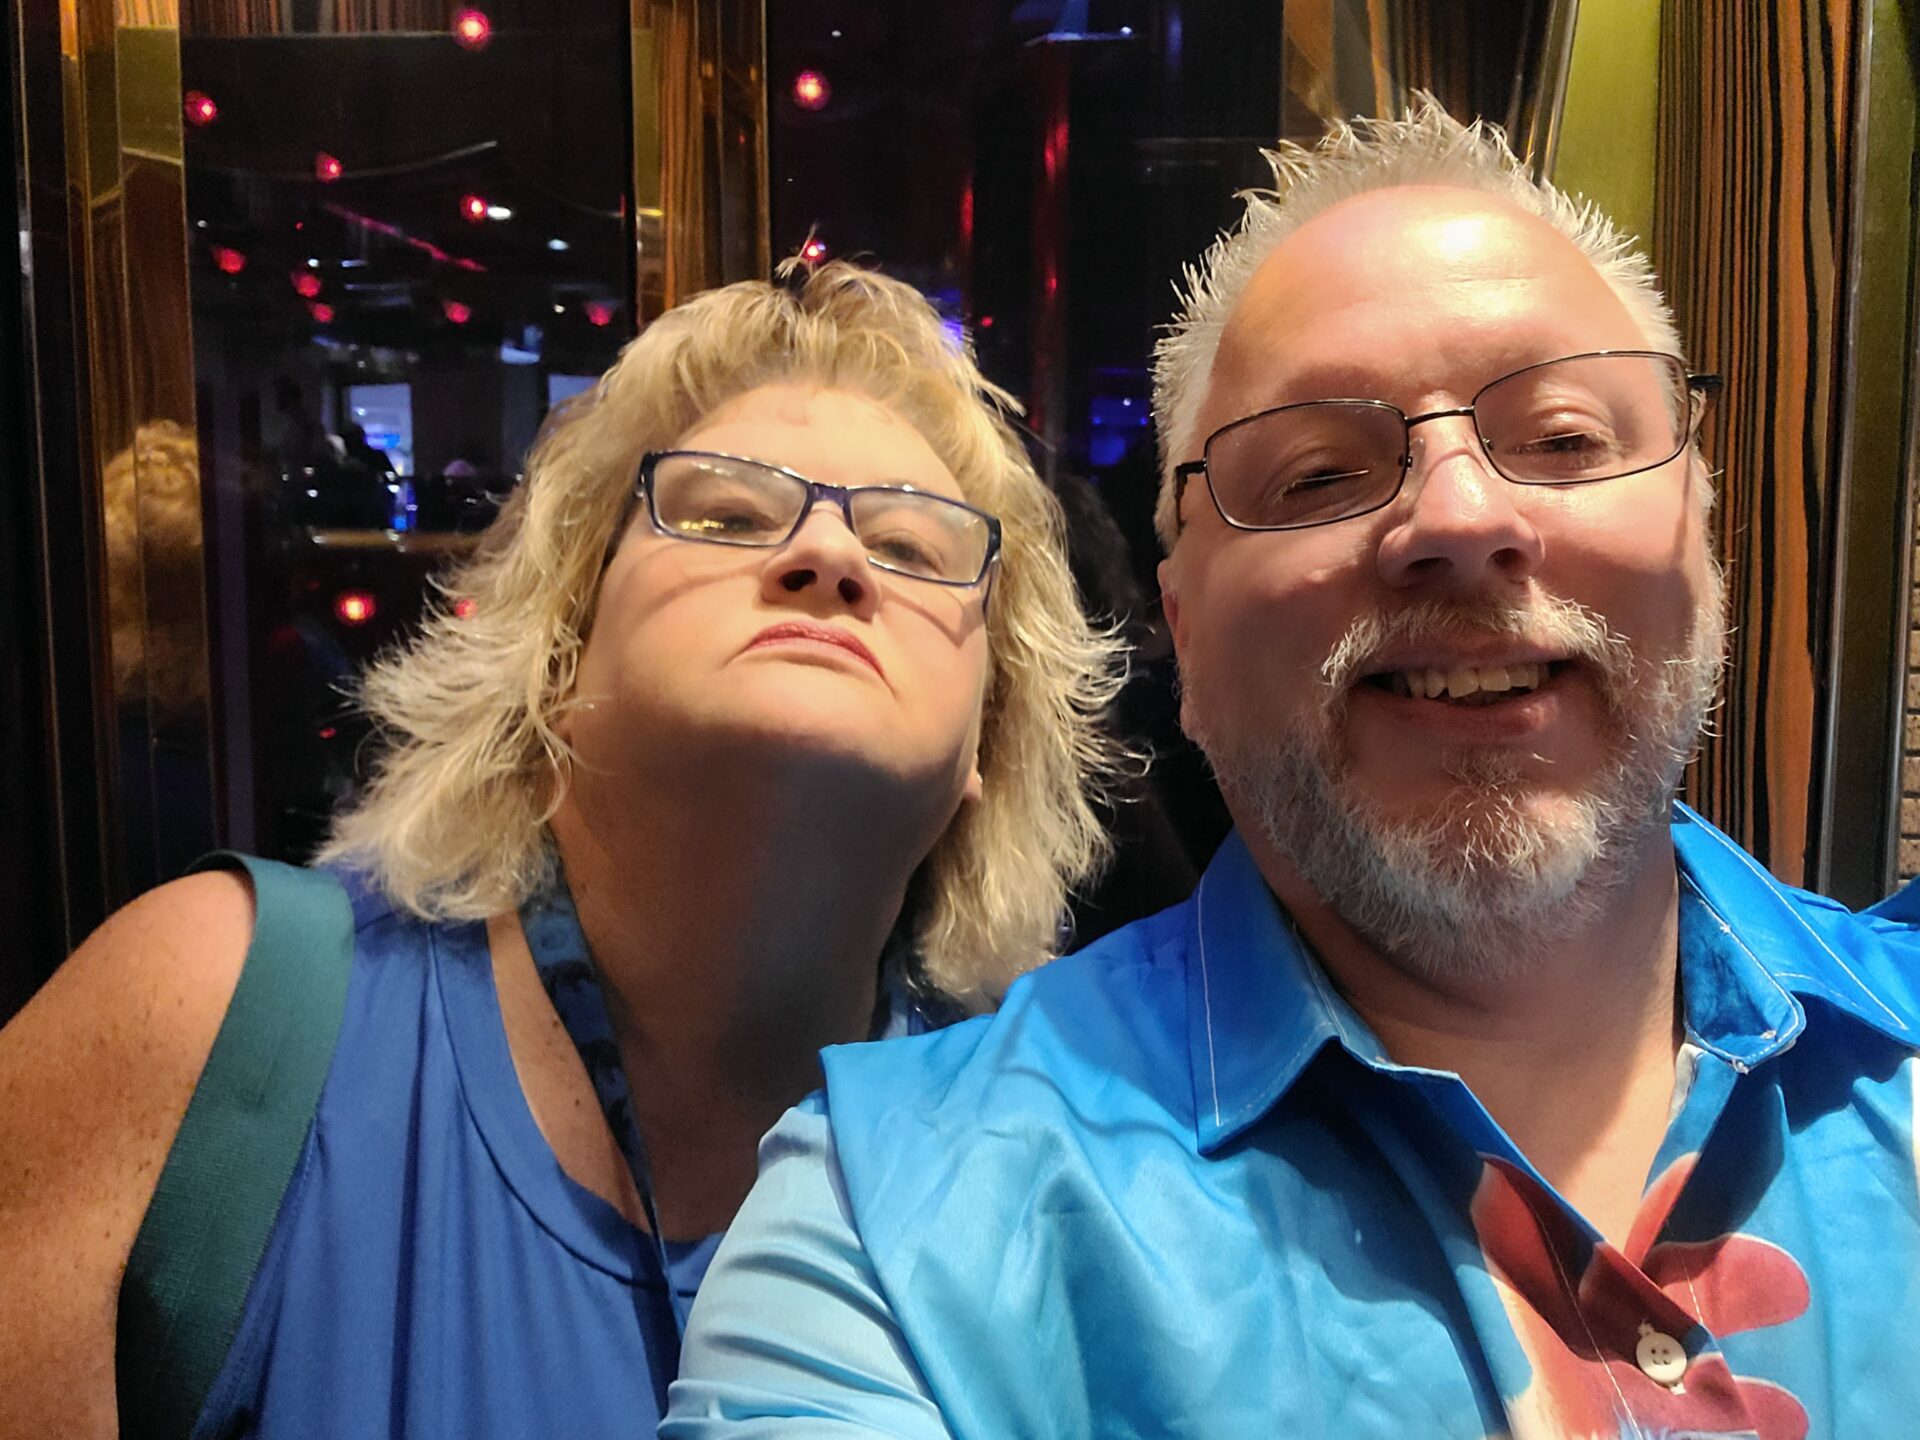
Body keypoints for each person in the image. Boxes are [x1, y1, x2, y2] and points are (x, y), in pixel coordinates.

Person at [662, 102, 1920, 1439]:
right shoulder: (889, 1234)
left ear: (1702, 545)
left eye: (1561, 440)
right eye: (1319, 475)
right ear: (1184, 636)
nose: (1463, 517)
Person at [0, 262, 1123, 1438]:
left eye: (911, 545)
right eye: (726, 515)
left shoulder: (1066, 1167)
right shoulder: (209, 1014)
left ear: (988, 735)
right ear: (559, 648)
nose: (829, 556)